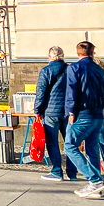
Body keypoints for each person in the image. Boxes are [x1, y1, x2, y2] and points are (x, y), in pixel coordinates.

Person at [63, 41, 104, 199]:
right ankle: (95, 187)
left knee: (70, 146)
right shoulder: (100, 70)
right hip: (97, 113)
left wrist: (70, 112)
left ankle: (95, 180)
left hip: (82, 113)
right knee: (92, 149)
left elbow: (71, 90)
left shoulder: (74, 68)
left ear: (78, 54)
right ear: (92, 53)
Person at [34, 46, 75, 182]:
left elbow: (41, 93)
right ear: (63, 56)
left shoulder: (46, 70)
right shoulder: (70, 69)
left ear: (49, 56)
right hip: (68, 111)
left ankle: (57, 171)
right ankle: (72, 172)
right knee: (69, 142)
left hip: (51, 111)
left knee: (52, 142)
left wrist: (37, 110)